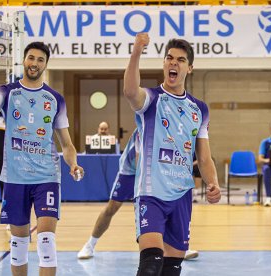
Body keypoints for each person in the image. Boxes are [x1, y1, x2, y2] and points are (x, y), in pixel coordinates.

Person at [0, 42, 84, 276]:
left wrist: (73, 163)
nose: (34, 63)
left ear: (46, 64)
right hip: (15, 178)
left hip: (47, 176)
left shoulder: (55, 99)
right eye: (31, 58)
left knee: (46, 241)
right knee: (19, 245)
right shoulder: (8, 92)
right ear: (24, 60)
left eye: (40, 60)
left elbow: (67, 144)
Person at [123, 33, 221, 276]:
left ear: (190, 68)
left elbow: (205, 157)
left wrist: (213, 183)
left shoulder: (199, 109)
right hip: (151, 192)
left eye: (180, 59)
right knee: (150, 264)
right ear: (164, 64)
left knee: (171, 268)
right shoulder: (152, 99)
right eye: (169, 58)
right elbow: (130, 91)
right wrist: (136, 52)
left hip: (181, 196)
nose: (173, 63)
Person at [78, 129, 199, 261]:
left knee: (165, 206)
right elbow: (139, 161)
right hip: (130, 171)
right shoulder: (147, 126)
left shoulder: (173, 129)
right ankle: (90, 244)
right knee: (112, 208)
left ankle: (178, 247)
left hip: (156, 172)